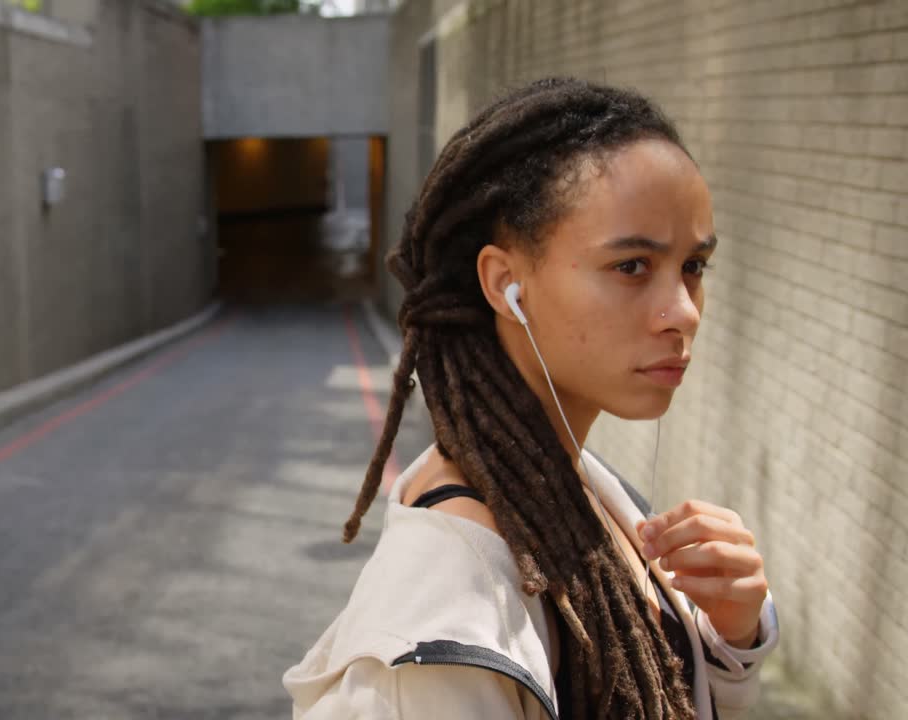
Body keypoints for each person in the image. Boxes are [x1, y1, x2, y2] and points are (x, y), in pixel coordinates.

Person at [283, 77, 779, 719]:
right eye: (632, 266)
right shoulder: (445, 624)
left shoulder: (577, 487)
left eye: (694, 266)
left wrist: (731, 637)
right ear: (505, 283)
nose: (683, 312)